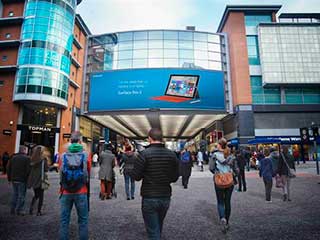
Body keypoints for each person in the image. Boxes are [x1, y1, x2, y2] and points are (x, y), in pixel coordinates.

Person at [131, 128, 179, 240]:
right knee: (158, 226)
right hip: (165, 196)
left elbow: (136, 177)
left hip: (149, 196)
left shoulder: (144, 154)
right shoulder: (171, 155)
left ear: (149, 138)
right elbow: (175, 177)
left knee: (153, 231)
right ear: (161, 139)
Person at [59, 131, 90, 240]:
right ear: (80, 141)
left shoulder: (63, 156)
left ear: (70, 140)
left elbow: (61, 173)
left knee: (64, 220)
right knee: (83, 220)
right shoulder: (85, 155)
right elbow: (88, 173)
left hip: (65, 191)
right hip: (81, 191)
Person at [209, 138, 238, 234]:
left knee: (220, 202)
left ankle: (222, 218)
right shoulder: (231, 155)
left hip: (219, 180)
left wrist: (217, 173)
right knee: (227, 201)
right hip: (230, 181)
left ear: (220, 145)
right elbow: (236, 169)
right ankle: (227, 221)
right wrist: (233, 174)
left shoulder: (214, 155)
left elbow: (211, 168)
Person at [7, 146, 30, 215]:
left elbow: (8, 168)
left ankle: (12, 209)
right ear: (24, 150)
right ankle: (19, 210)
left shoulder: (13, 157)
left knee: (15, 194)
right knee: (21, 195)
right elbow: (28, 170)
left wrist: (9, 178)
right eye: (26, 150)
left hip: (14, 179)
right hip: (22, 180)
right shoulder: (27, 158)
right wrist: (27, 179)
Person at [27, 145, 50, 215]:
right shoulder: (43, 159)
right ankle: (38, 211)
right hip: (41, 179)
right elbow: (46, 169)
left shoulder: (32, 158)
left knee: (36, 194)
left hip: (33, 179)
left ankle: (31, 209)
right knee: (41, 196)